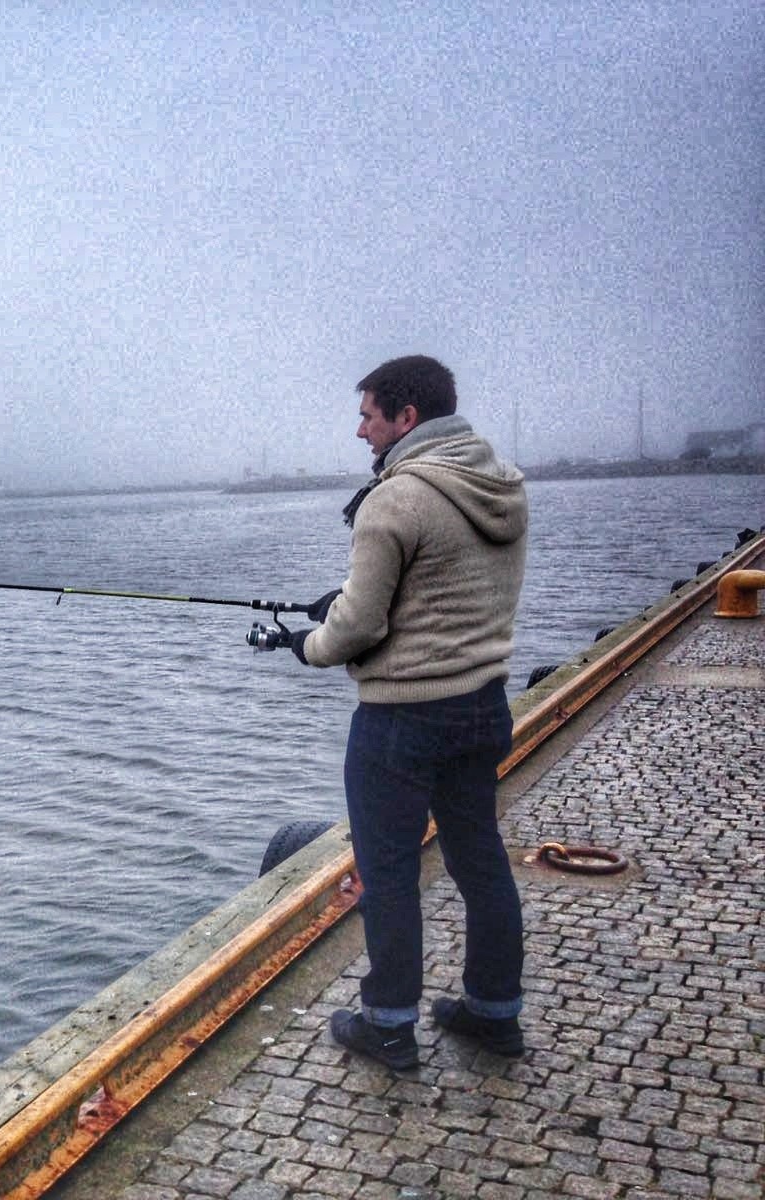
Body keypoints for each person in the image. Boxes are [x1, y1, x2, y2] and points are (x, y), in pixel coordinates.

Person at [287, 354, 528, 1070]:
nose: (360, 430)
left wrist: (308, 645)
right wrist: (344, 608)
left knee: (388, 874)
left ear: (407, 417)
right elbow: (437, 591)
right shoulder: (502, 484)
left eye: (368, 416)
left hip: (402, 720)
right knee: (480, 860)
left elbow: (359, 626)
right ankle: (494, 1014)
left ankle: (388, 1025)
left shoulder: (395, 499)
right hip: (482, 706)